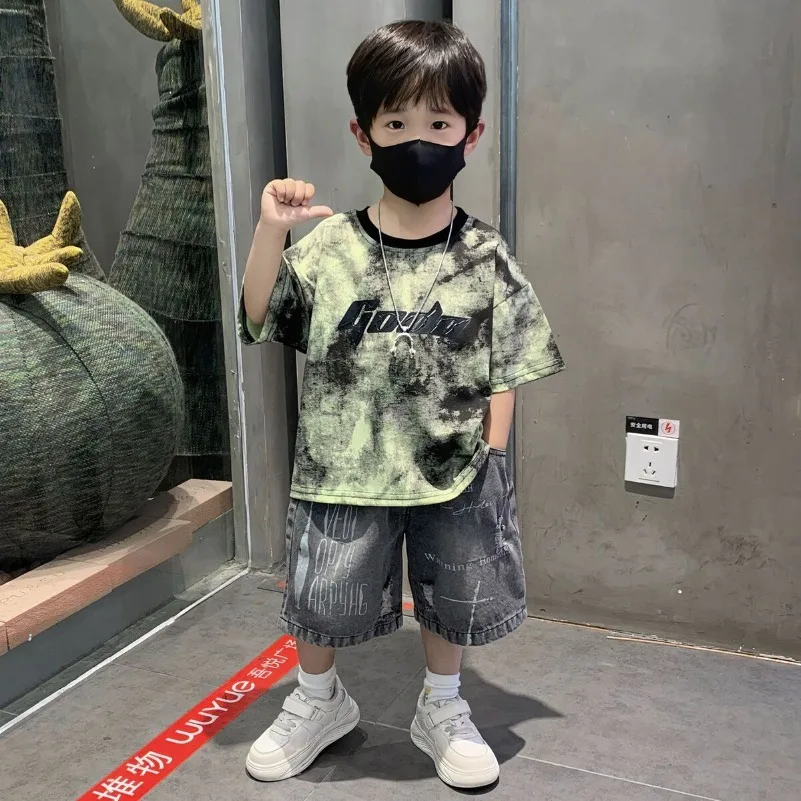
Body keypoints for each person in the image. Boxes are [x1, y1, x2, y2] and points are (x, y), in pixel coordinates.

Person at [238, 20, 565, 789]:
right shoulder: (329, 248)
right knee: (322, 594)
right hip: (342, 467)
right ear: (364, 134)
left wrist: (491, 457)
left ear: (469, 134)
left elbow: (507, 362)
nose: (418, 139)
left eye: (438, 123)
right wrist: (269, 231)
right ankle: (317, 697)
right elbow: (259, 315)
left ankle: (442, 703)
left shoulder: (485, 255)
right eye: (395, 123)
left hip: (454, 466)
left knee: (453, 591)